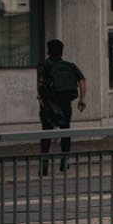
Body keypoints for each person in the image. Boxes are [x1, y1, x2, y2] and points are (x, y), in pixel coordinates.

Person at [36, 39, 86, 174]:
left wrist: (41, 99)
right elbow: (82, 80)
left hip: (48, 104)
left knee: (46, 134)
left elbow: (40, 84)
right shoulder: (70, 65)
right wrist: (81, 99)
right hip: (65, 105)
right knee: (65, 132)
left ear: (48, 51)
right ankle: (64, 163)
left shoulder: (43, 65)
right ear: (62, 51)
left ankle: (44, 166)